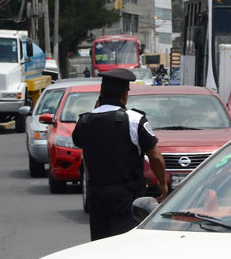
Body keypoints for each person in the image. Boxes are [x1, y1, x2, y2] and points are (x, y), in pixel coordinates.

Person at [72, 68, 168, 241]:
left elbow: (80, 142)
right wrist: (162, 184)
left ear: (100, 94)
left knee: (100, 243)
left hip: (96, 195)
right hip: (126, 195)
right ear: (125, 95)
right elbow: (155, 156)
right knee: (125, 243)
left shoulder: (84, 121)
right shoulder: (134, 120)